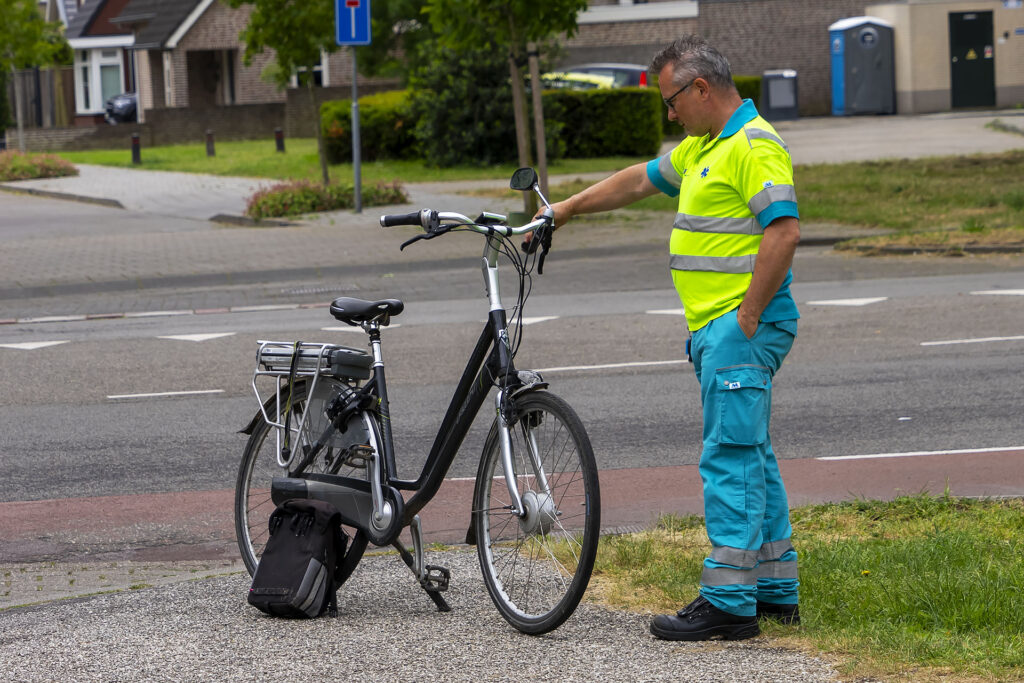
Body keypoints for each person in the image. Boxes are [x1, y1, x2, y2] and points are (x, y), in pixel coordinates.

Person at [542, 35, 801, 641]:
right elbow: (638, 180)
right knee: (752, 452)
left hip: (738, 326)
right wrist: (567, 209)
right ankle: (772, 589)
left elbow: (783, 233)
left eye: (672, 100)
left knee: (729, 457)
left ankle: (729, 605)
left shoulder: (752, 145)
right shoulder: (704, 146)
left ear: (701, 88)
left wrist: (747, 317)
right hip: (721, 327)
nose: (669, 113)